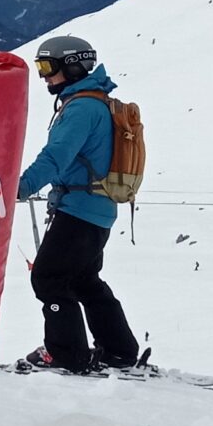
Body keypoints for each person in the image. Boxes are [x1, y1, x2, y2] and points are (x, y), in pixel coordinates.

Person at [15, 34, 143, 374]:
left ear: (72, 66)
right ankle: (119, 350)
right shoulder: (95, 101)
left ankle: (65, 353)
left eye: (48, 67)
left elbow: (56, 157)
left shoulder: (82, 108)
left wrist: (21, 185)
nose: (44, 77)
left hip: (79, 209)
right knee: (85, 280)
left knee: (49, 278)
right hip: (96, 208)